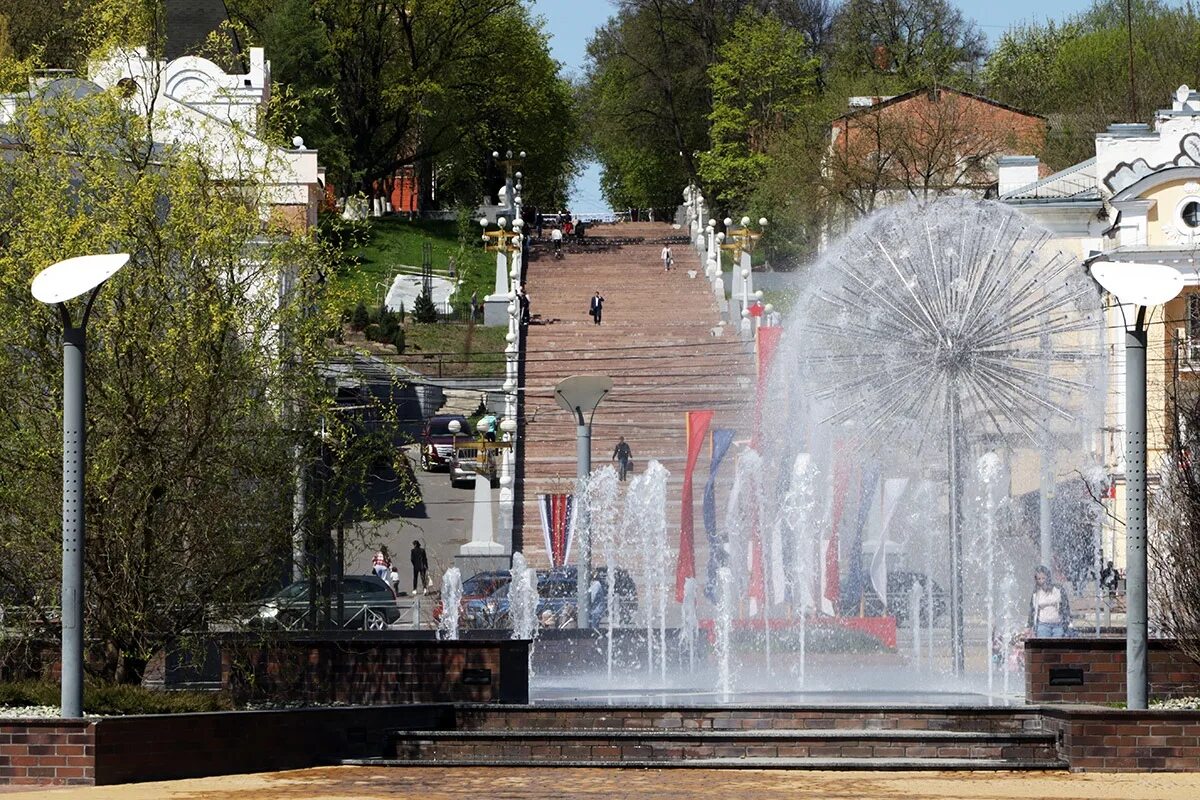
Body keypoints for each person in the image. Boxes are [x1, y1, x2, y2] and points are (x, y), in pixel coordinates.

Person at [1028, 565, 1071, 638]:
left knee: (1057, 647)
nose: (1041, 581)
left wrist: (1067, 622)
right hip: (1043, 625)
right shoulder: (1036, 593)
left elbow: (1066, 606)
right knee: (1044, 646)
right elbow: (1032, 609)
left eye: (1043, 578)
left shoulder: (1058, 589)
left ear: (1048, 577)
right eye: (1039, 579)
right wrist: (1029, 625)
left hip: (1058, 625)